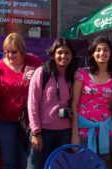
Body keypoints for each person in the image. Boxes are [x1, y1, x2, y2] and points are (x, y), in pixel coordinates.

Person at [0, 33, 42, 169]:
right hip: (5, 120)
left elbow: (47, 85)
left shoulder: (34, 62)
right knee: (9, 161)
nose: (10, 56)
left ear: (22, 51)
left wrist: (37, 78)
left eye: (14, 52)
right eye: (6, 52)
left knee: (27, 160)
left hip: (29, 121)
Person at [26, 38, 79, 169]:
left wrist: (73, 133)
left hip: (65, 132)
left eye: (67, 53)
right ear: (53, 54)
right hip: (43, 132)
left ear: (72, 55)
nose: (63, 56)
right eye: (60, 52)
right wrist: (36, 133)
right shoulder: (42, 72)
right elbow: (32, 103)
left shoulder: (74, 75)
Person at [72, 36, 112, 169]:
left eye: (105, 50)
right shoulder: (82, 74)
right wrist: (74, 135)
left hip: (106, 131)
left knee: (103, 165)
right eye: (98, 50)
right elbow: (74, 106)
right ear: (92, 53)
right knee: (83, 165)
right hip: (83, 131)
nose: (102, 53)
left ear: (111, 53)